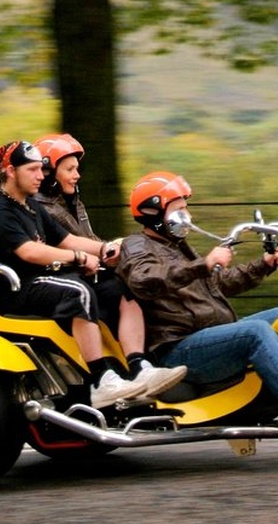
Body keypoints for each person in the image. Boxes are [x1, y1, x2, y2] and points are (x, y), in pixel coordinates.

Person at [116, 171, 278, 430]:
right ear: (153, 213)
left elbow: (220, 283)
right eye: (179, 210)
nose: (187, 217)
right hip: (178, 350)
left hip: (209, 337)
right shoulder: (136, 246)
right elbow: (143, 281)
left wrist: (263, 265)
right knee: (255, 331)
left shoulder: (177, 246)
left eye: (186, 209)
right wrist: (204, 264)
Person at [0, 140, 147, 409]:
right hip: (18, 288)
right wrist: (78, 258)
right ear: (10, 171)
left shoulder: (29, 203)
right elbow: (29, 252)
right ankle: (101, 381)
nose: (40, 176)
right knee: (78, 291)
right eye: (32, 170)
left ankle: (139, 367)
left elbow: (65, 239)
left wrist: (106, 249)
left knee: (116, 286)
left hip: (43, 279)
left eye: (41, 169)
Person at [32, 133, 186, 398]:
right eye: (69, 169)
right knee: (108, 289)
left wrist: (109, 250)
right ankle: (106, 376)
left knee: (129, 287)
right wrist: (102, 253)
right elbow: (59, 246)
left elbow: (87, 239)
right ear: (47, 173)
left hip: (88, 268)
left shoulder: (72, 201)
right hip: (66, 276)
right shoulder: (39, 208)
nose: (77, 175)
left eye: (77, 168)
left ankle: (140, 365)